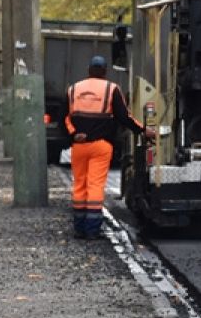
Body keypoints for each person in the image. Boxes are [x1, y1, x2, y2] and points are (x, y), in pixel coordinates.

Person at [65, 56, 155, 239]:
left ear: (88, 70)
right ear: (105, 71)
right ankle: (92, 230)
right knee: (95, 185)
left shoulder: (73, 89)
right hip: (101, 145)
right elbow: (124, 117)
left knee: (79, 184)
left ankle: (79, 228)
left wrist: (74, 134)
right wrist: (142, 130)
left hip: (79, 146)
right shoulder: (111, 89)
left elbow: (64, 118)